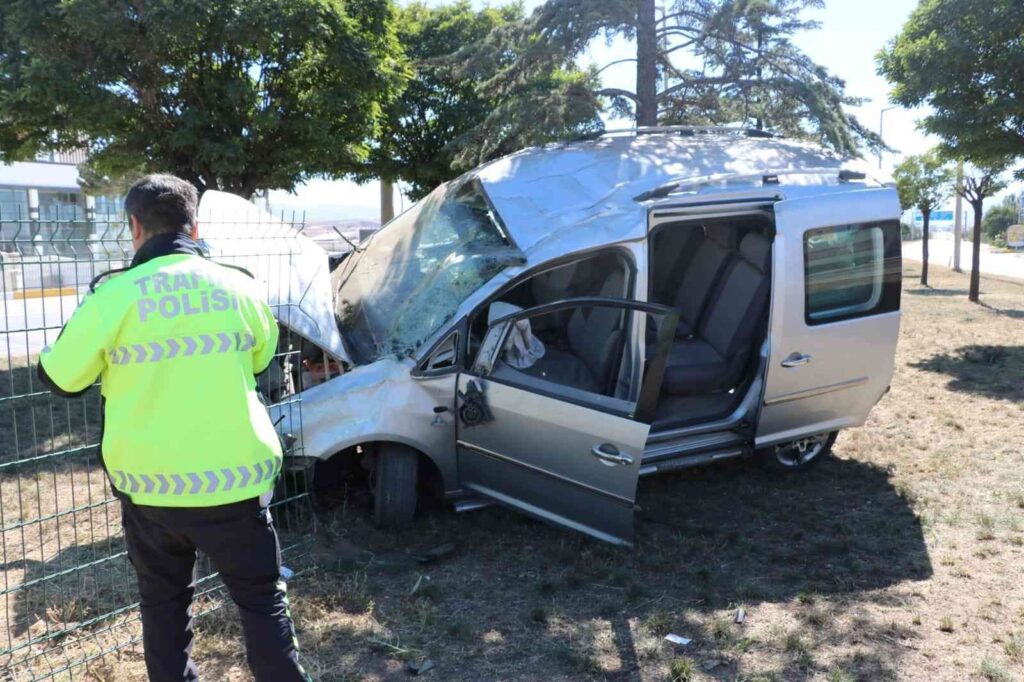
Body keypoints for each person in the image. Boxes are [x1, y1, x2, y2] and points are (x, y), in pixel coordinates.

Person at [37, 174, 310, 681]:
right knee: (262, 603)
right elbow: (259, 361)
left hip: (150, 489)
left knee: (163, 606)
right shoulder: (240, 286)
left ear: (134, 227)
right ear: (194, 226)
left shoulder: (113, 297)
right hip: (237, 483)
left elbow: (59, 377)